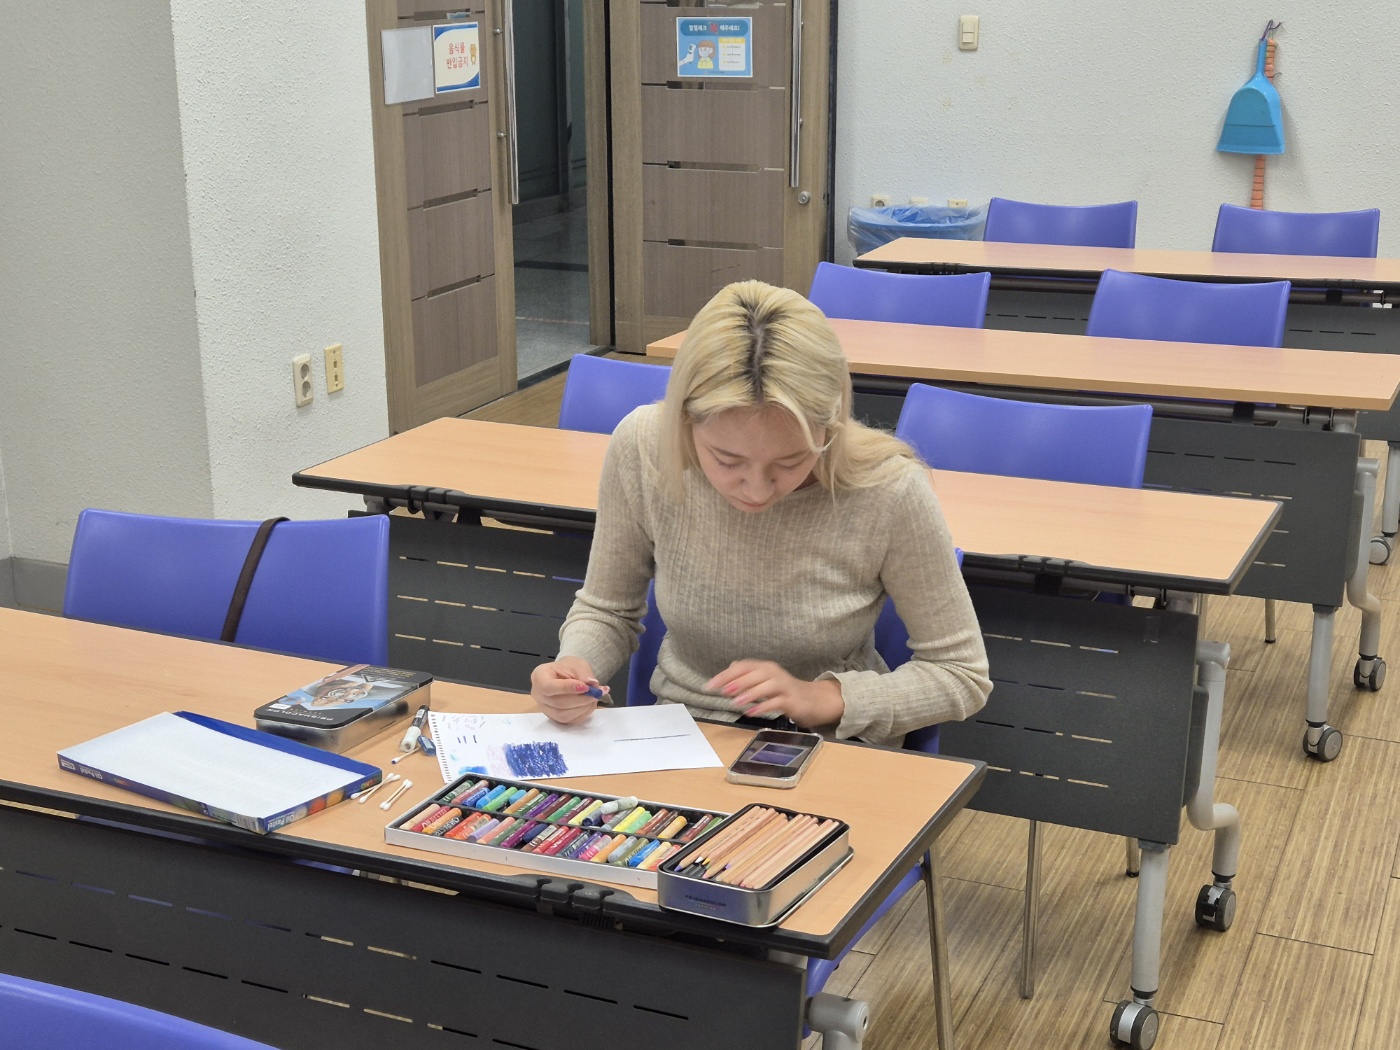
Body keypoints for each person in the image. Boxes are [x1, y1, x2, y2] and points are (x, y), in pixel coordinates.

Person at [529, 281, 991, 747]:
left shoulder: (890, 489)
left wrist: (823, 697)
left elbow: (961, 674)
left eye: (791, 461)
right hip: (681, 736)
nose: (756, 489)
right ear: (685, 422)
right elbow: (607, 610)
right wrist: (575, 667)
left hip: (828, 747)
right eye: (727, 460)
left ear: (830, 426)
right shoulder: (643, 446)